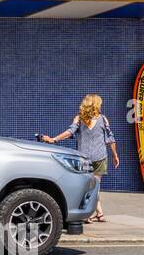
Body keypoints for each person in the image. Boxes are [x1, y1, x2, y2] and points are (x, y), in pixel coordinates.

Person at [43, 94, 118, 223]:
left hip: (83, 158)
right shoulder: (103, 119)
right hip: (100, 157)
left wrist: (54, 139)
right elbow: (110, 139)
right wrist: (115, 155)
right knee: (95, 186)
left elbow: (69, 132)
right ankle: (99, 214)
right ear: (96, 105)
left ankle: (91, 214)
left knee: (87, 187)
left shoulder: (79, 119)